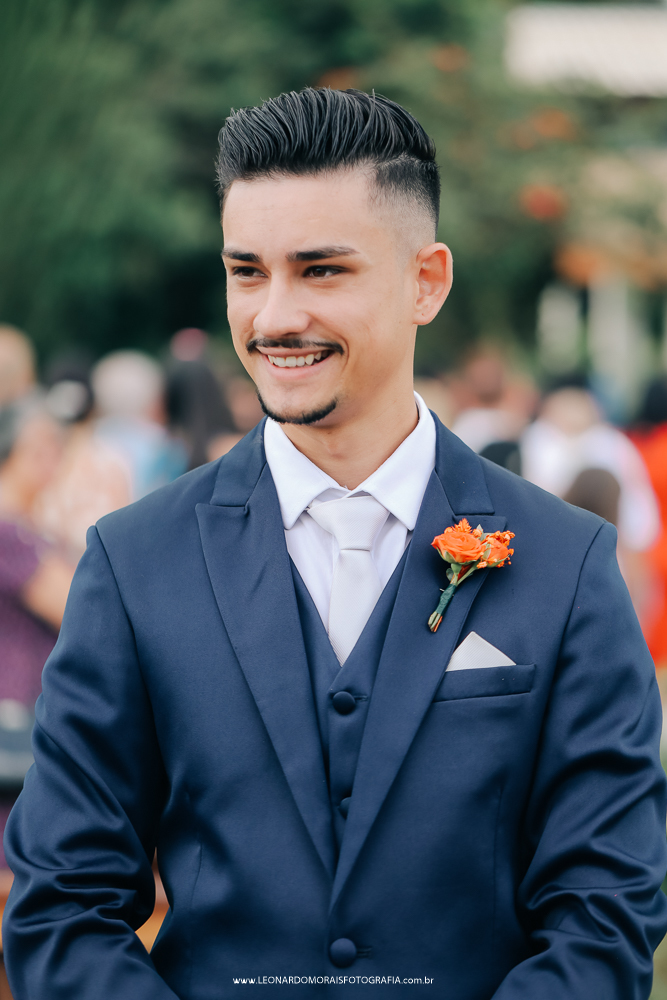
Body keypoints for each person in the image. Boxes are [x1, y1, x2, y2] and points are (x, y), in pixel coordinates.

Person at [3, 88, 667, 999]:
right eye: (247, 272)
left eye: (320, 271)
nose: (274, 316)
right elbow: (62, 904)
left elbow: (605, 909)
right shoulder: (133, 562)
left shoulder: (567, 563)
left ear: (425, 281)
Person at [0, 400, 75, 865]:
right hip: (14, 709)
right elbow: (77, 606)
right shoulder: (8, 530)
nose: (54, 459)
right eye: (41, 447)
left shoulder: (32, 527)